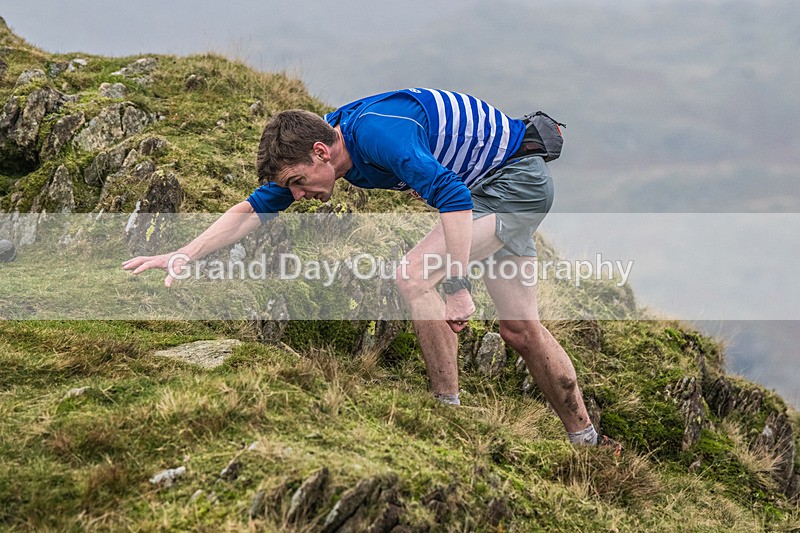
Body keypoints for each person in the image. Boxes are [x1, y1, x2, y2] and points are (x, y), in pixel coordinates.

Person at [123, 88, 620, 451]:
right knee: (519, 329)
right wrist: (184, 253)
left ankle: (446, 413)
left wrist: (458, 285)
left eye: (298, 182)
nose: (298, 195)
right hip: (493, 185)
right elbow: (252, 210)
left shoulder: (382, 137)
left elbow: (453, 196)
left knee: (413, 275)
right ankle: (588, 441)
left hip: (516, 184)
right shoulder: (318, 146)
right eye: (291, 187)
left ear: (321, 153)